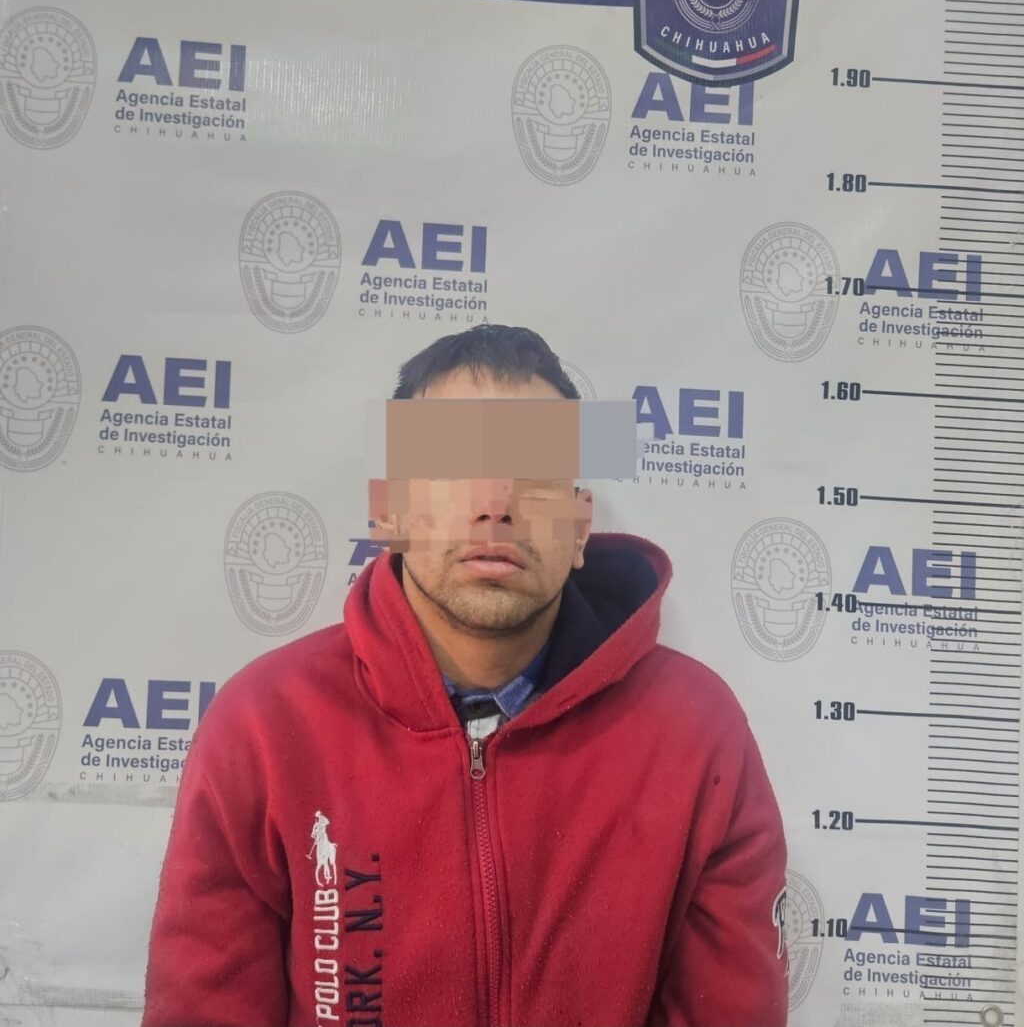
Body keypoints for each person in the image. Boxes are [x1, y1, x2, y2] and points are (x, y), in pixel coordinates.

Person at [142, 324, 788, 1027]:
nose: (495, 504)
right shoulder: (263, 728)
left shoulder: (696, 733)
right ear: (389, 510)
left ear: (579, 528)